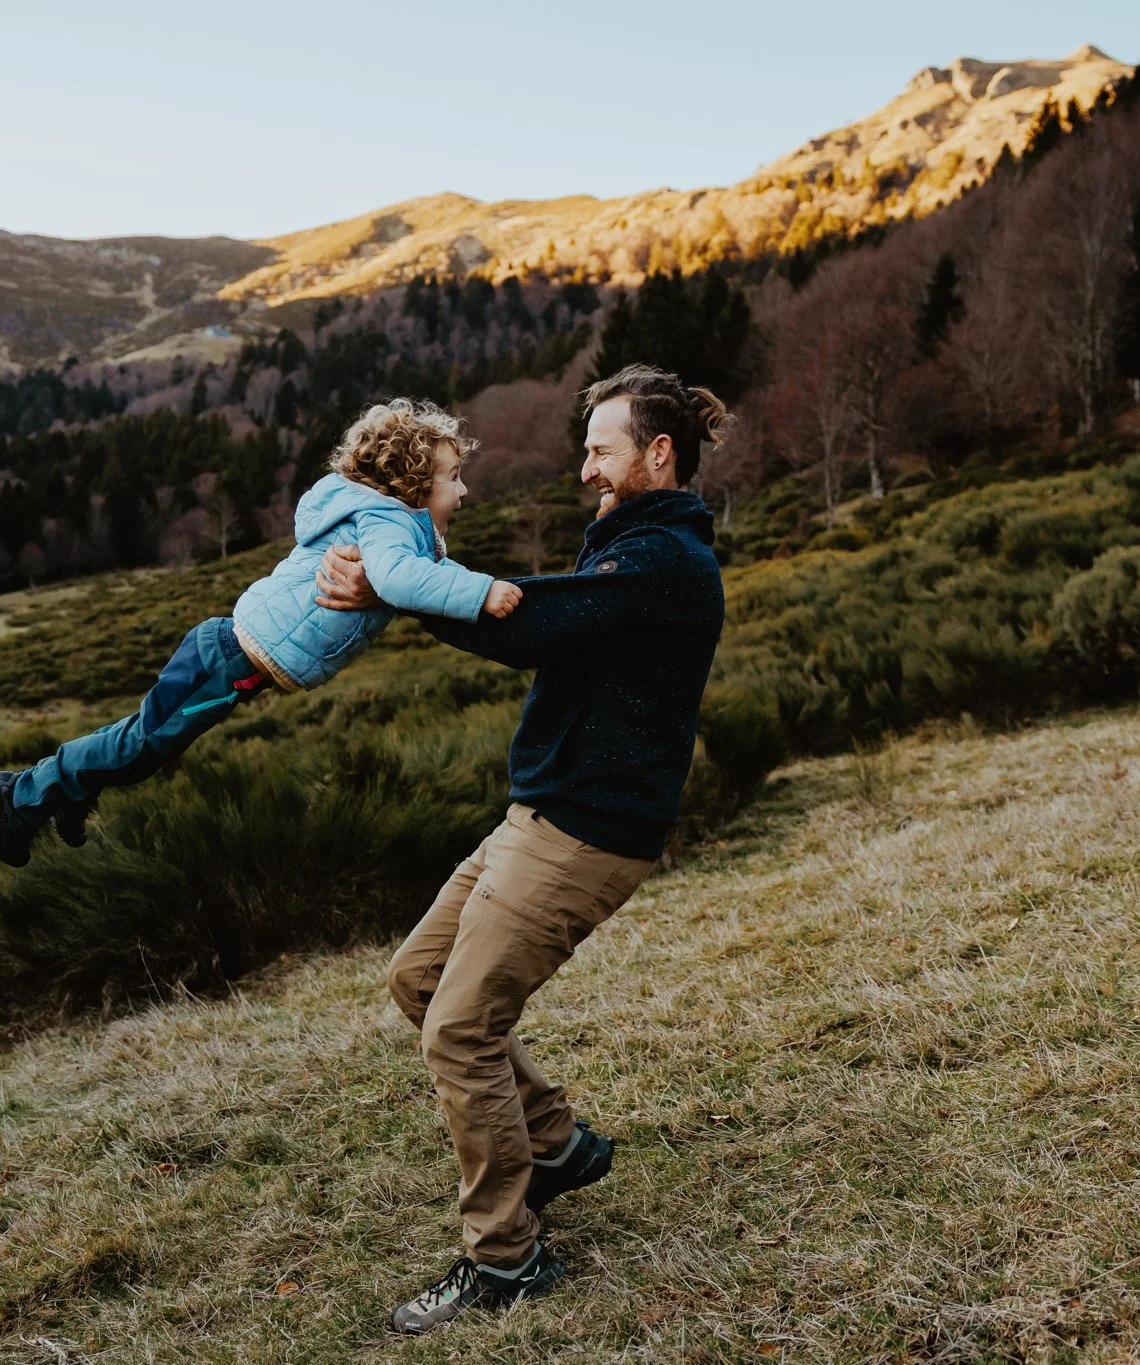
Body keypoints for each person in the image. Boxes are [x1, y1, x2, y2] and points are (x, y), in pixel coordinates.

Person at [314, 364, 731, 1333]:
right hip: (534, 818)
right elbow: (536, 624)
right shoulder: (625, 545)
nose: (583, 468)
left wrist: (391, 586)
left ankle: (503, 1260)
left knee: (457, 1027)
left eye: (599, 449)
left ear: (655, 454)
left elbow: (529, 625)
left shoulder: (664, 561)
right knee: (417, 984)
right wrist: (399, 585)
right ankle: (549, 1144)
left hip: (581, 837)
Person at [0, 398, 520, 867]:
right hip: (228, 659)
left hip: (233, 657)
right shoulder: (388, 523)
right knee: (144, 746)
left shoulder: (386, 523)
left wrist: (473, 587)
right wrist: (481, 594)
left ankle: (73, 787)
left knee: (143, 742)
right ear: (412, 482)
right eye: (453, 477)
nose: (465, 489)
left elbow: (420, 573)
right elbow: (403, 579)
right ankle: (20, 797)